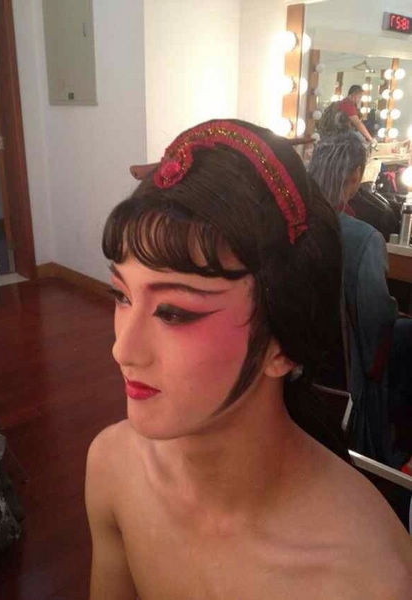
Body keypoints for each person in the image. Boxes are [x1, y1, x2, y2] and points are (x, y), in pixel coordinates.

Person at [86, 120, 411, 600]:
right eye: (121, 296)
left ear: (280, 343)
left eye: (173, 312)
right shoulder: (113, 468)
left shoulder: (364, 579)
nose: (122, 350)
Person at [309, 132, 411, 467]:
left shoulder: (287, 226)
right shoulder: (363, 239)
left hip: (302, 364)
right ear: (355, 175)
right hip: (346, 372)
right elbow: (375, 322)